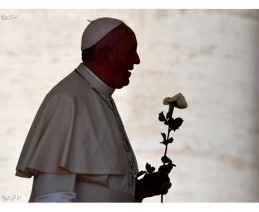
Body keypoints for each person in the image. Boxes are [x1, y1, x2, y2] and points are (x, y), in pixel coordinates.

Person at [15, 17, 171, 202]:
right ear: (106, 55)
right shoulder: (67, 101)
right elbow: (53, 198)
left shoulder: (101, 97)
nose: (137, 60)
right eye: (130, 52)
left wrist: (138, 191)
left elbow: (98, 189)